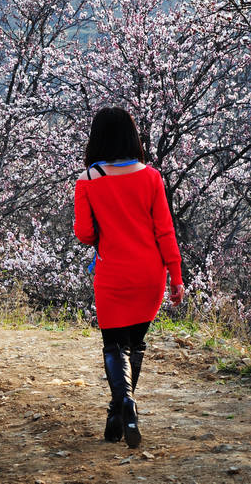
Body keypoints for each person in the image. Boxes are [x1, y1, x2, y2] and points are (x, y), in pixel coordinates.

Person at [73, 107, 184, 448]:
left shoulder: (87, 181)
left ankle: (125, 404)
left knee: (114, 345)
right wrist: (176, 277)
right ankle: (117, 413)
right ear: (131, 136)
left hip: (113, 275)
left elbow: (84, 233)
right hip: (150, 274)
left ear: (97, 138)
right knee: (135, 345)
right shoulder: (152, 177)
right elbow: (165, 231)